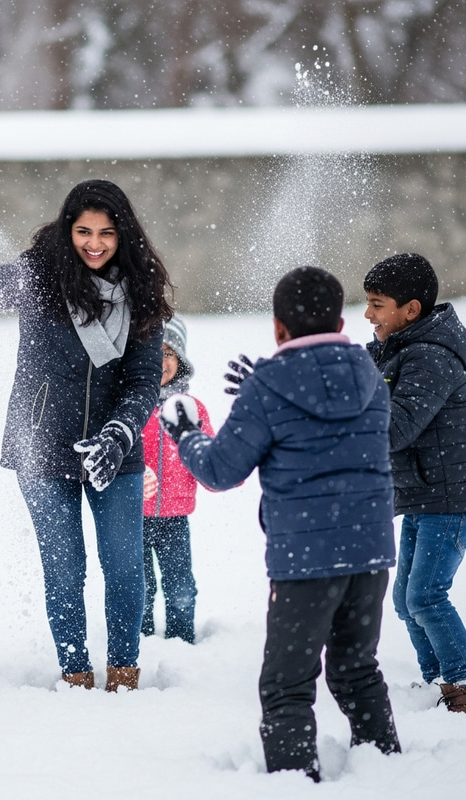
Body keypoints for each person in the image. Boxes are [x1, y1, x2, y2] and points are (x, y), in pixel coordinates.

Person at [0, 179, 173, 691]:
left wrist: (118, 436)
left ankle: (123, 675)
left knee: (124, 568)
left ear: (124, 235)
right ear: (68, 229)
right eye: (84, 231)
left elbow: (141, 383)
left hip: (116, 451)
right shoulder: (41, 276)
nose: (94, 243)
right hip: (42, 447)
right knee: (65, 569)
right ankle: (75, 674)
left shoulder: (141, 293)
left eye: (107, 233)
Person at [161, 267, 400, 781]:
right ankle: (387, 774)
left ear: (277, 328)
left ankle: (293, 783)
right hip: (371, 551)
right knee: (357, 670)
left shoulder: (268, 387)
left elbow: (221, 470)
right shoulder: (368, 373)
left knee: (286, 684)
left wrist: (185, 433)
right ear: (341, 319)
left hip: (305, 561)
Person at [364, 252, 466, 713]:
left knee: (425, 595)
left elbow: (397, 427)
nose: (367, 314)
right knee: (408, 602)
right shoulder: (401, 349)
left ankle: (461, 684)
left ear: (411, 310)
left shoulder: (431, 357)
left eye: (377, 304)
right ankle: (437, 682)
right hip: (425, 494)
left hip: (451, 497)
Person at [140, 316, 214, 643]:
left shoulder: (192, 409)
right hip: (132, 515)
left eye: (168, 353)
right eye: (153, 350)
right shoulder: (131, 404)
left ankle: (182, 644)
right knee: (137, 585)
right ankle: (136, 641)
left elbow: (211, 460)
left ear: (180, 361)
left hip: (175, 516)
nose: (160, 360)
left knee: (180, 584)